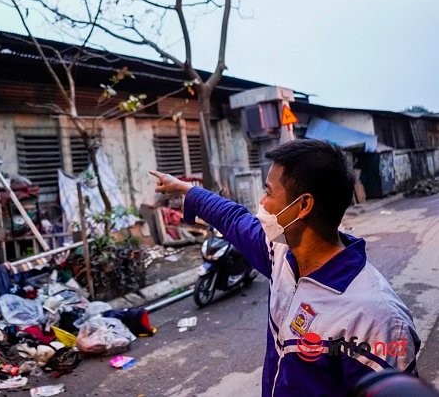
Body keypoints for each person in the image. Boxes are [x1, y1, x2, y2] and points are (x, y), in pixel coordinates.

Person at [150, 139, 420, 397]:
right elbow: (233, 218)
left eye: (268, 191)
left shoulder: (376, 317)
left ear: (303, 205)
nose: (262, 203)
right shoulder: (280, 254)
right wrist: (186, 190)